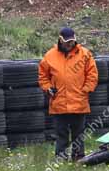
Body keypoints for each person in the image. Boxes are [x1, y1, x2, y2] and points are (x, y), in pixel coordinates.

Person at [38, 27, 98, 162]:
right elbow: (43, 76)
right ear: (60, 40)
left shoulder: (85, 54)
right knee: (61, 134)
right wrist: (48, 88)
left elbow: (92, 75)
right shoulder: (49, 56)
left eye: (72, 41)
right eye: (67, 41)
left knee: (79, 134)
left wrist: (86, 90)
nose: (70, 44)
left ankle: (79, 158)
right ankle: (60, 159)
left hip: (79, 102)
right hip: (59, 103)